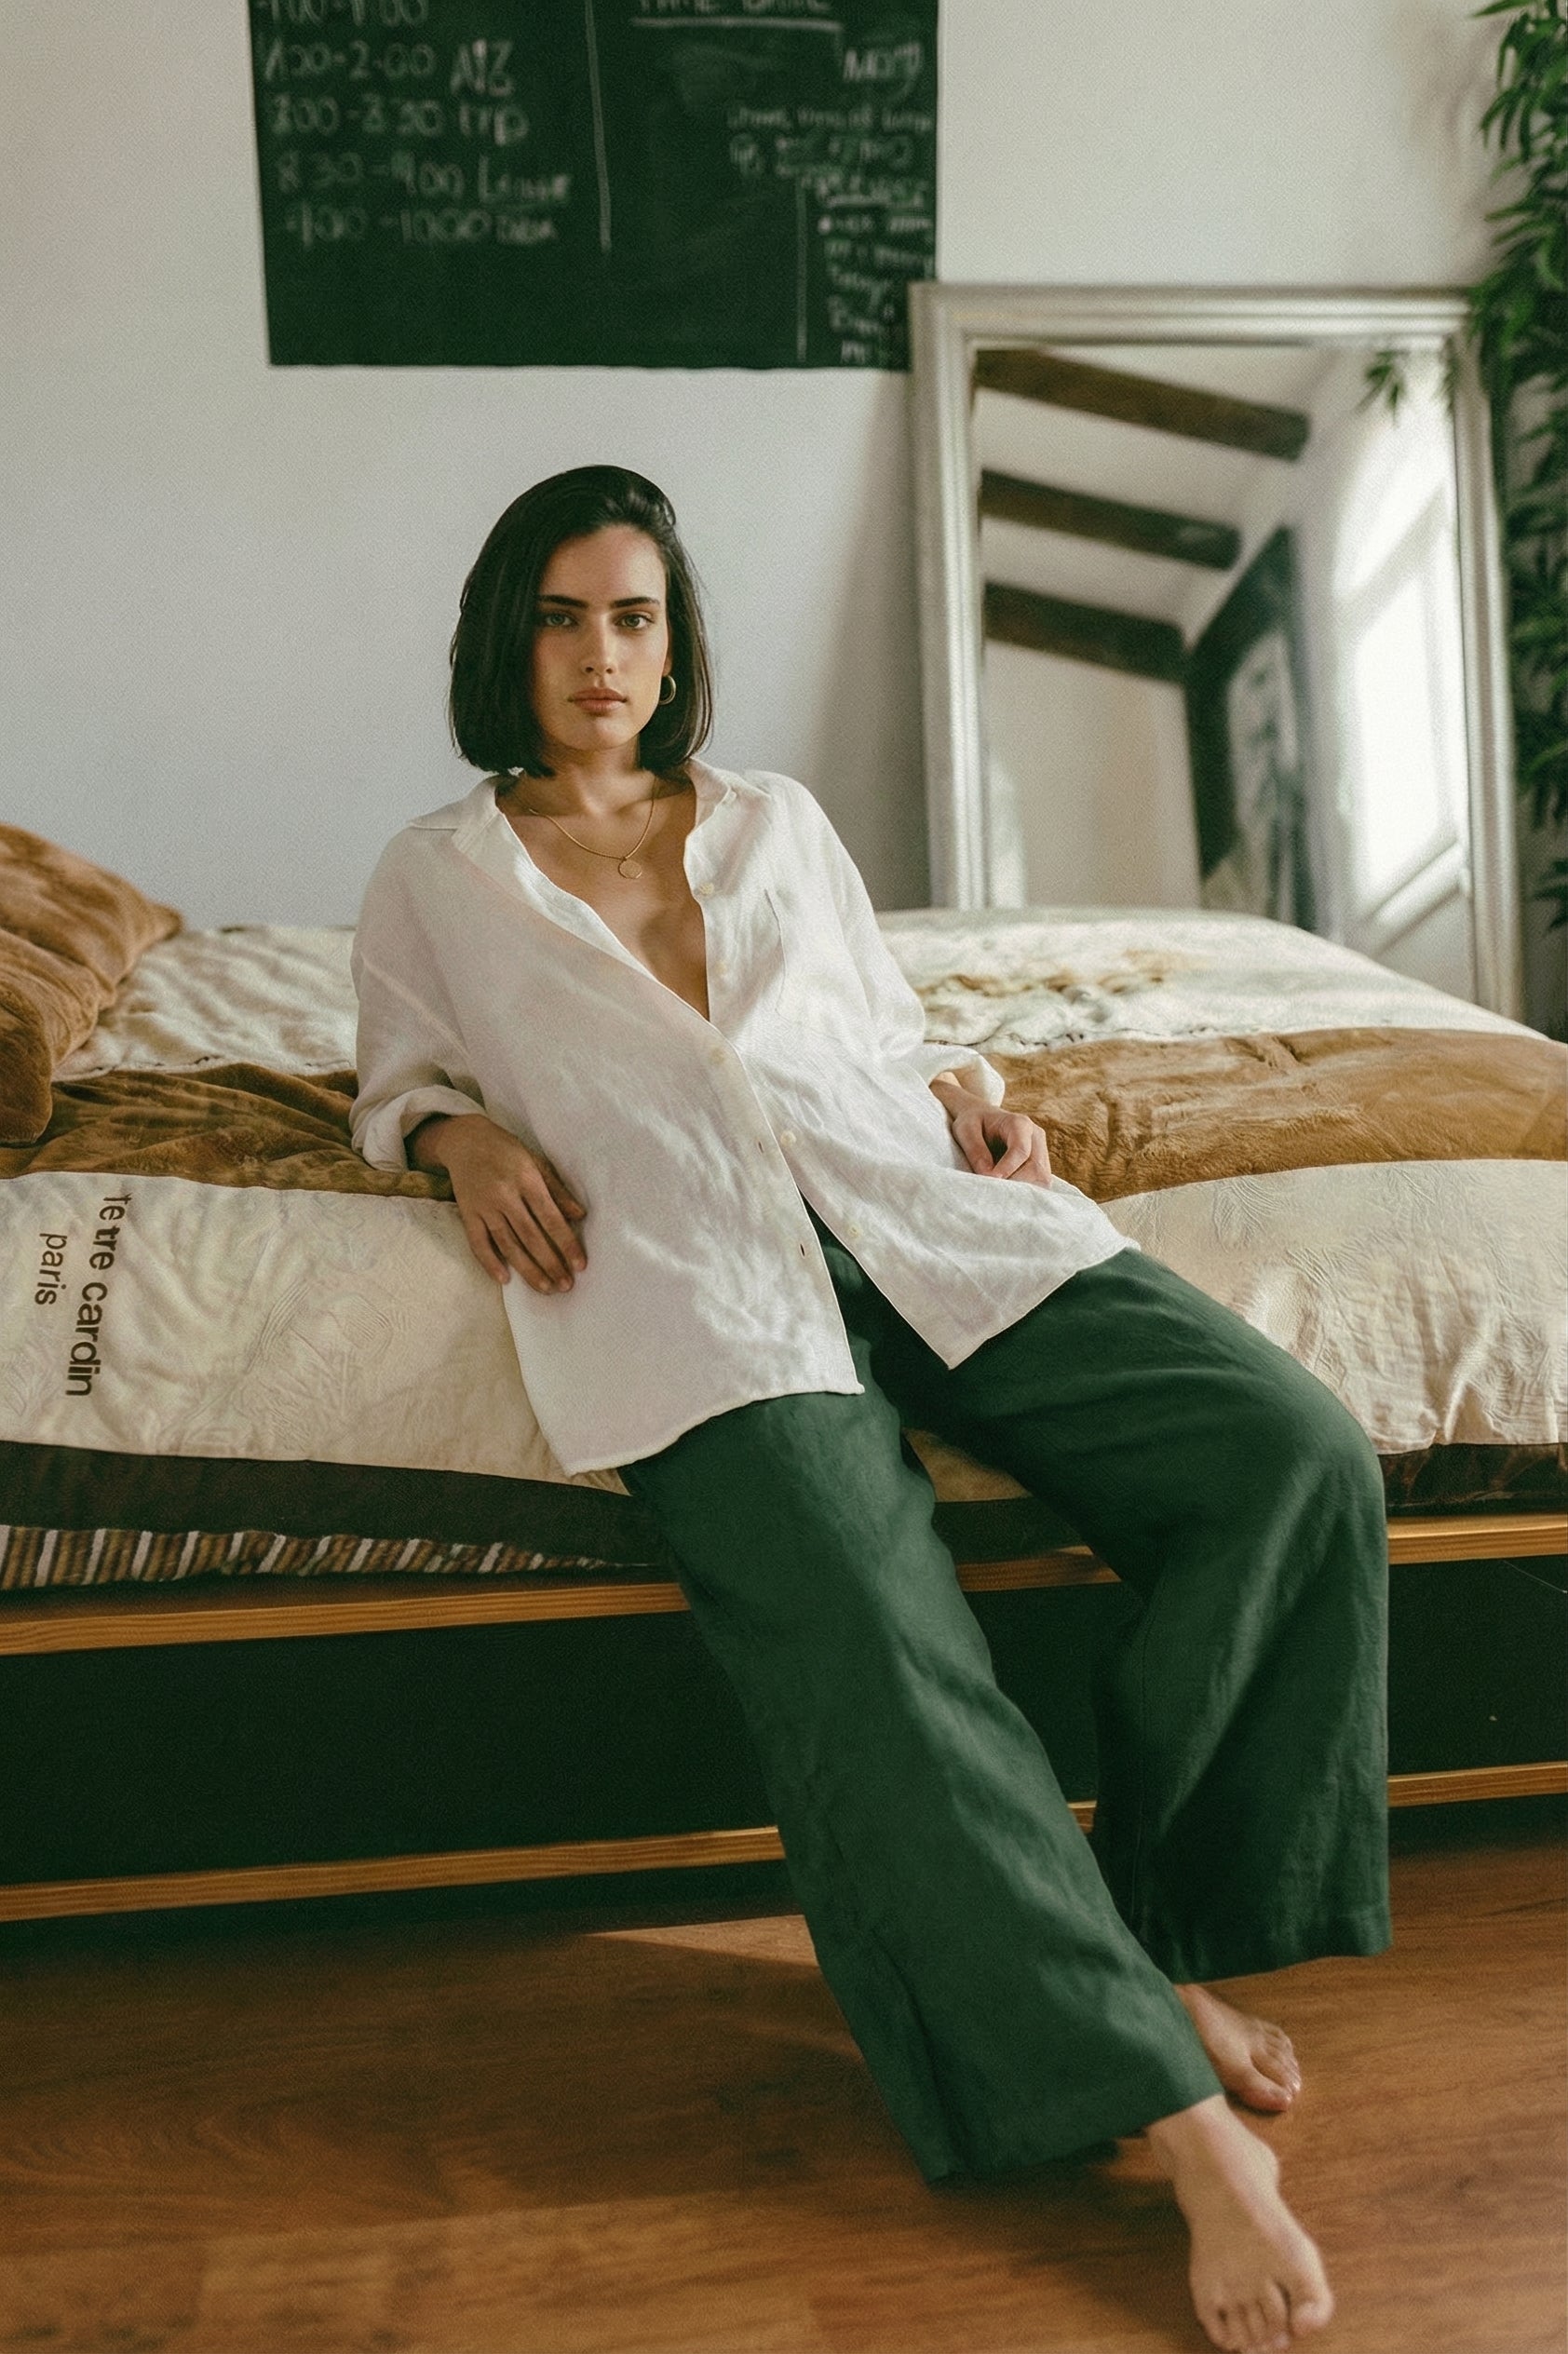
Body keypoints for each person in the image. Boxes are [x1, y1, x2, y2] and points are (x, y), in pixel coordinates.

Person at [351, 465, 1391, 2354]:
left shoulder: (774, 820)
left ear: (677, 642)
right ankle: (1170, 2119)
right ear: (508, 634)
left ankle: (1155, 1948)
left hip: (915, 1214)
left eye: (638, 615)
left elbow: (880, 1025)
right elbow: (391, 1070)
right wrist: (456, 1130)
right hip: (690, 1291)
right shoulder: (438, 867)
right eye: (568, 615)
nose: (605, 655)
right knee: (876, 1638)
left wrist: (976, 1096)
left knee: (1283, 1453)